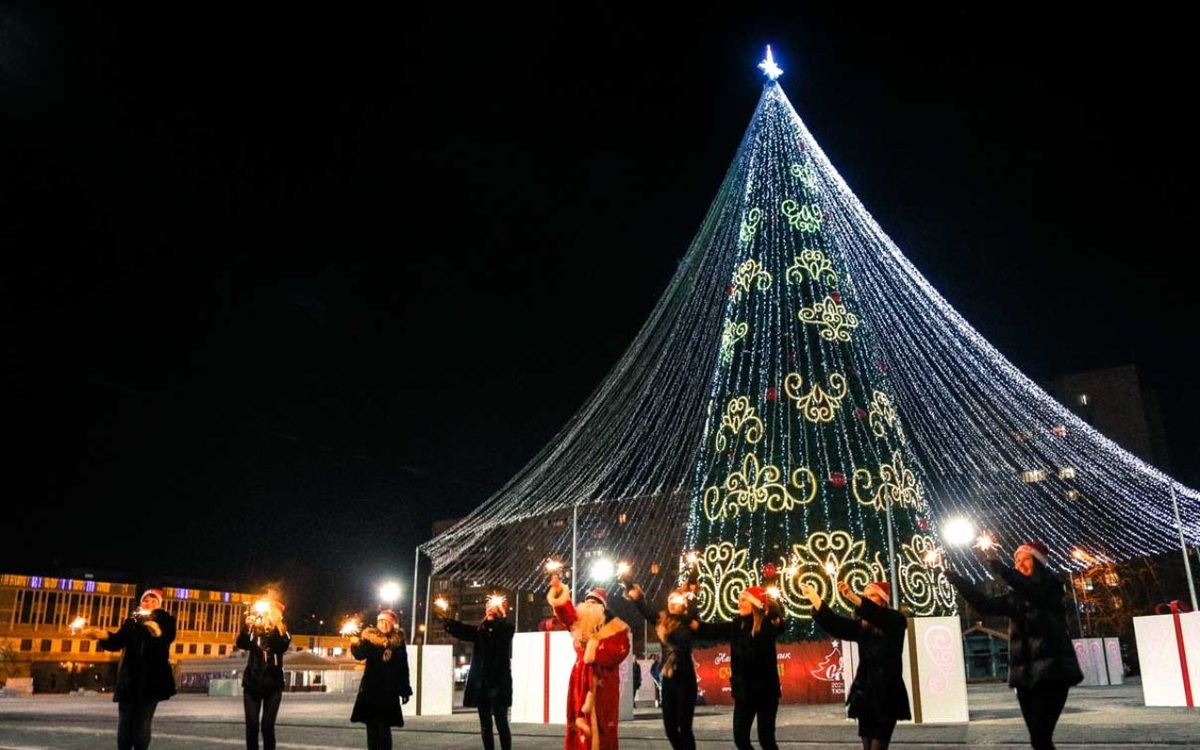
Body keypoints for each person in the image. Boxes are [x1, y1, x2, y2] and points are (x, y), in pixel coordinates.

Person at [946, 540, 1083, 750]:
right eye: (1016, 561)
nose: (1019, 564)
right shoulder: (1017, 597)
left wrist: (1002, 569)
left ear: (1037, 561)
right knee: (1039, 740)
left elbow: (1035, 594)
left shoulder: (1052, 586)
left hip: (1052, 673)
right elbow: (986, 605)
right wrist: (959, 581)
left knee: (1040, 736)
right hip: (1025, 677)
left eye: (1024, 559)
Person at [800, 579, 910, 750]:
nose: (867, 599)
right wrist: (814, 597)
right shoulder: (862, 627)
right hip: (865, 693)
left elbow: (878, 615)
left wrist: (851, 596)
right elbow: (834, 623)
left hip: (888, 693)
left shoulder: (896, 620)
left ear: (883, 599)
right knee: (867, 746)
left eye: (872, 595)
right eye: (865, 596)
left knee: (878, 746)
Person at [692, 584, 785, 750]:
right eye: (739, 600)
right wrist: (692, 624)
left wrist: (762, 601)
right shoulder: (736, 625)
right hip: (744, 693)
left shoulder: (767, 624)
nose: (739, 603)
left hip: (766, 693)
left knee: (766, 740)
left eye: (744, 600)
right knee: (740, 738)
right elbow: (711, 631)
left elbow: (778, 618)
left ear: (755, 603)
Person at [84, 588, 177, 750]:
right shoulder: (131, 622)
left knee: (142, 724)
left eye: (153, 600)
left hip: (152, 680)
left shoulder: (166, 620)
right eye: (146, 600)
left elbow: (167, 638)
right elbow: (117, 642)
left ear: (159, 604)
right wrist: (104, 636)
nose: (149, 603)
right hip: (129, 680)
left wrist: (156, 631)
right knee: (125, 725)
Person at [547, 573, 631, 750]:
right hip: (580, 680)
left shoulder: (616, 628)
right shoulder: (578, 623)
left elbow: (620, 651)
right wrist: (558, 590)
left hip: (603, 682)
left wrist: (594, 651)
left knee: (603, 725)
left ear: (602, 608)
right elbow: (565, 611)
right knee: (577, 721)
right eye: (587, 602)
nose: (588, 606)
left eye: (594, 603)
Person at [621, 568, 700, 750]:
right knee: (670, 729)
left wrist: (692, 580)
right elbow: (644, 607)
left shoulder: (689, 622)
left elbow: (693, 608)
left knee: (684, 727)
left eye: (676, 601)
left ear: (684, 604)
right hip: (669, 679)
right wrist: (628, 583)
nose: (672, 603)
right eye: (670, 600)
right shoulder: (662, 621)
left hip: (685, 678)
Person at [437, 595, 515, 750]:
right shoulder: (481, 630)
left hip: (499, 684)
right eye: (487, 608)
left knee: (501, 723)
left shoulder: (505, 628)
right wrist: (447, 621)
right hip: (482, 686)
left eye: (493, 607)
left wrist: (500, 617)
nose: (489, 610)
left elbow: (506, 631)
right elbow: (463, 631)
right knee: (485, 725)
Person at [349, 609, 413, 750]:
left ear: (393, 625)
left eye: (387, 622)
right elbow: (360, 655)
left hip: (389, 692)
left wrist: (405, 690)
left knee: (384, 729)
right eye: (381, 622)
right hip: (371, 691)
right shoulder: (369, 638)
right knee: (372, 729)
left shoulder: (398, 643)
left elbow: (403, 667)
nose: (384, 625)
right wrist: (355, 644)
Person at [236, 598, 291, 750]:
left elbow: (280, 645)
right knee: (252, 727)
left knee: (267, 727)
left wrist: (274, 626)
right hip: (252, 684)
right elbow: (241, 643)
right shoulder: (255, 630)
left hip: (273, 685)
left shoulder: (283, 633)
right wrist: (247, 627)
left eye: (274, 611)